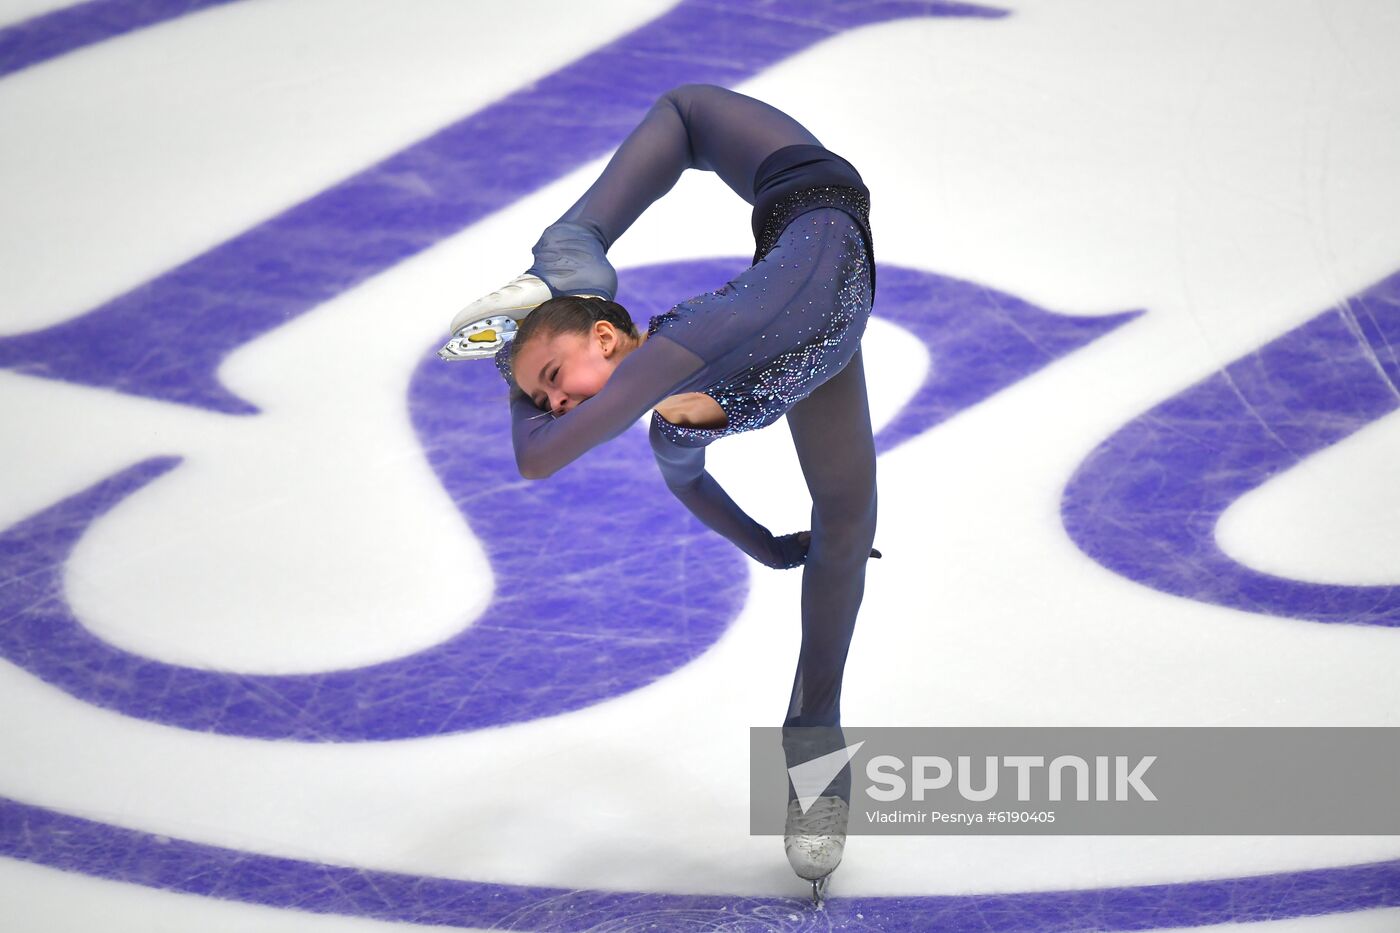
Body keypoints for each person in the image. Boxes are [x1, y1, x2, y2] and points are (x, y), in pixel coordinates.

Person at [440, 83, 880, 905]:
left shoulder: (676, 347)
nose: (552, 404)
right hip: (827, 343)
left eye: (549, 379)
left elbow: (538, 461)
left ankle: (565, 258)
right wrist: (770, 546)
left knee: (683, 114)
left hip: (813, 206)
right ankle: (815, 747)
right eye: (541, 399)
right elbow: (694, 489)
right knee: (846, 528)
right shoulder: (669, 428)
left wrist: (524, 331)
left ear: (606, 335)